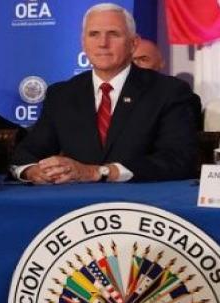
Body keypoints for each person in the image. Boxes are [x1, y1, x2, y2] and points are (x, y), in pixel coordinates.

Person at [12, 3, 196, 183]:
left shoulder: (169, 91)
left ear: (133, 43)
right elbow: (27, 152)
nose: (102, 43)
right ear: (83, 43)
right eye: (94, 34)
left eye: (113, 34)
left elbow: (178, 160)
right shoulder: (61, 94)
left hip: (141, 205)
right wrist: (32, 171)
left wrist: (101, 172)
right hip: (72, 206)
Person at [132, 37, 203, 130]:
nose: (135, 65)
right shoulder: (115, 94)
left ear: (161, 63)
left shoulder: (178, 95)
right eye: (131, 60)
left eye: (143, 59)